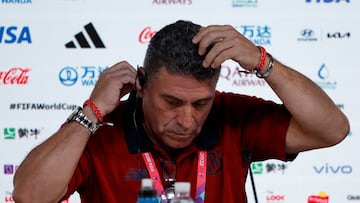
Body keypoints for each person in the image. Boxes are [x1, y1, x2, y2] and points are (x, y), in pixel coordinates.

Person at [12, 20, 349, 203]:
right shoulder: (101, 128)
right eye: (171, 102)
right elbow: (30, 196)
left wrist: (263, 62)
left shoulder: (231, 114)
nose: (187, 121)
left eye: (201, 104)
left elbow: (332, 129)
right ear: (141, 85)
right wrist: (93, 109)